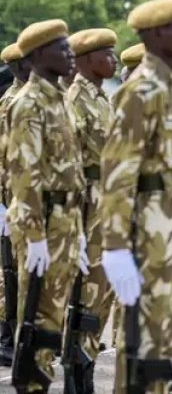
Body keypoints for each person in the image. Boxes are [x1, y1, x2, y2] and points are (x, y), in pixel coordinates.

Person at [100, 0, 172, 393]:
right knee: (143, 342)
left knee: (167, 340)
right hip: (150, 233)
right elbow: (118, 172)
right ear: (157, 35)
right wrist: (115, 245)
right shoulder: (140, 90)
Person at [5, 20, 86, 391]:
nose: (71, 55)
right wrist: (35, 235)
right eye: (62, 49)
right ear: (38, 55)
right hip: (44, 223)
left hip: (67, 222)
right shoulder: (28, 103)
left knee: (55, 321)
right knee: (37, 325)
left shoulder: (59, 99)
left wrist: (79, 232)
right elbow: (25, 174)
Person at [66, 28, 119, 390]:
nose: (114, 61)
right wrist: (75, 230)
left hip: (107, 206)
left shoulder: (102, 99)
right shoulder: (75, 101)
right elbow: (70, 169)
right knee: (86, 297)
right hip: (88, 208)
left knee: (104, 294)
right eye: (107, 54)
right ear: (87, 60)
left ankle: (89, 359)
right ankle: (77, 373)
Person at [0, 42, 30, 364]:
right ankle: (7, 337)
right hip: (11, 199)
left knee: (19, 271)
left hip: (21, 198)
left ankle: (15, 334)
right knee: (10, 272)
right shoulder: (10, 101)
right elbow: (3, 157)